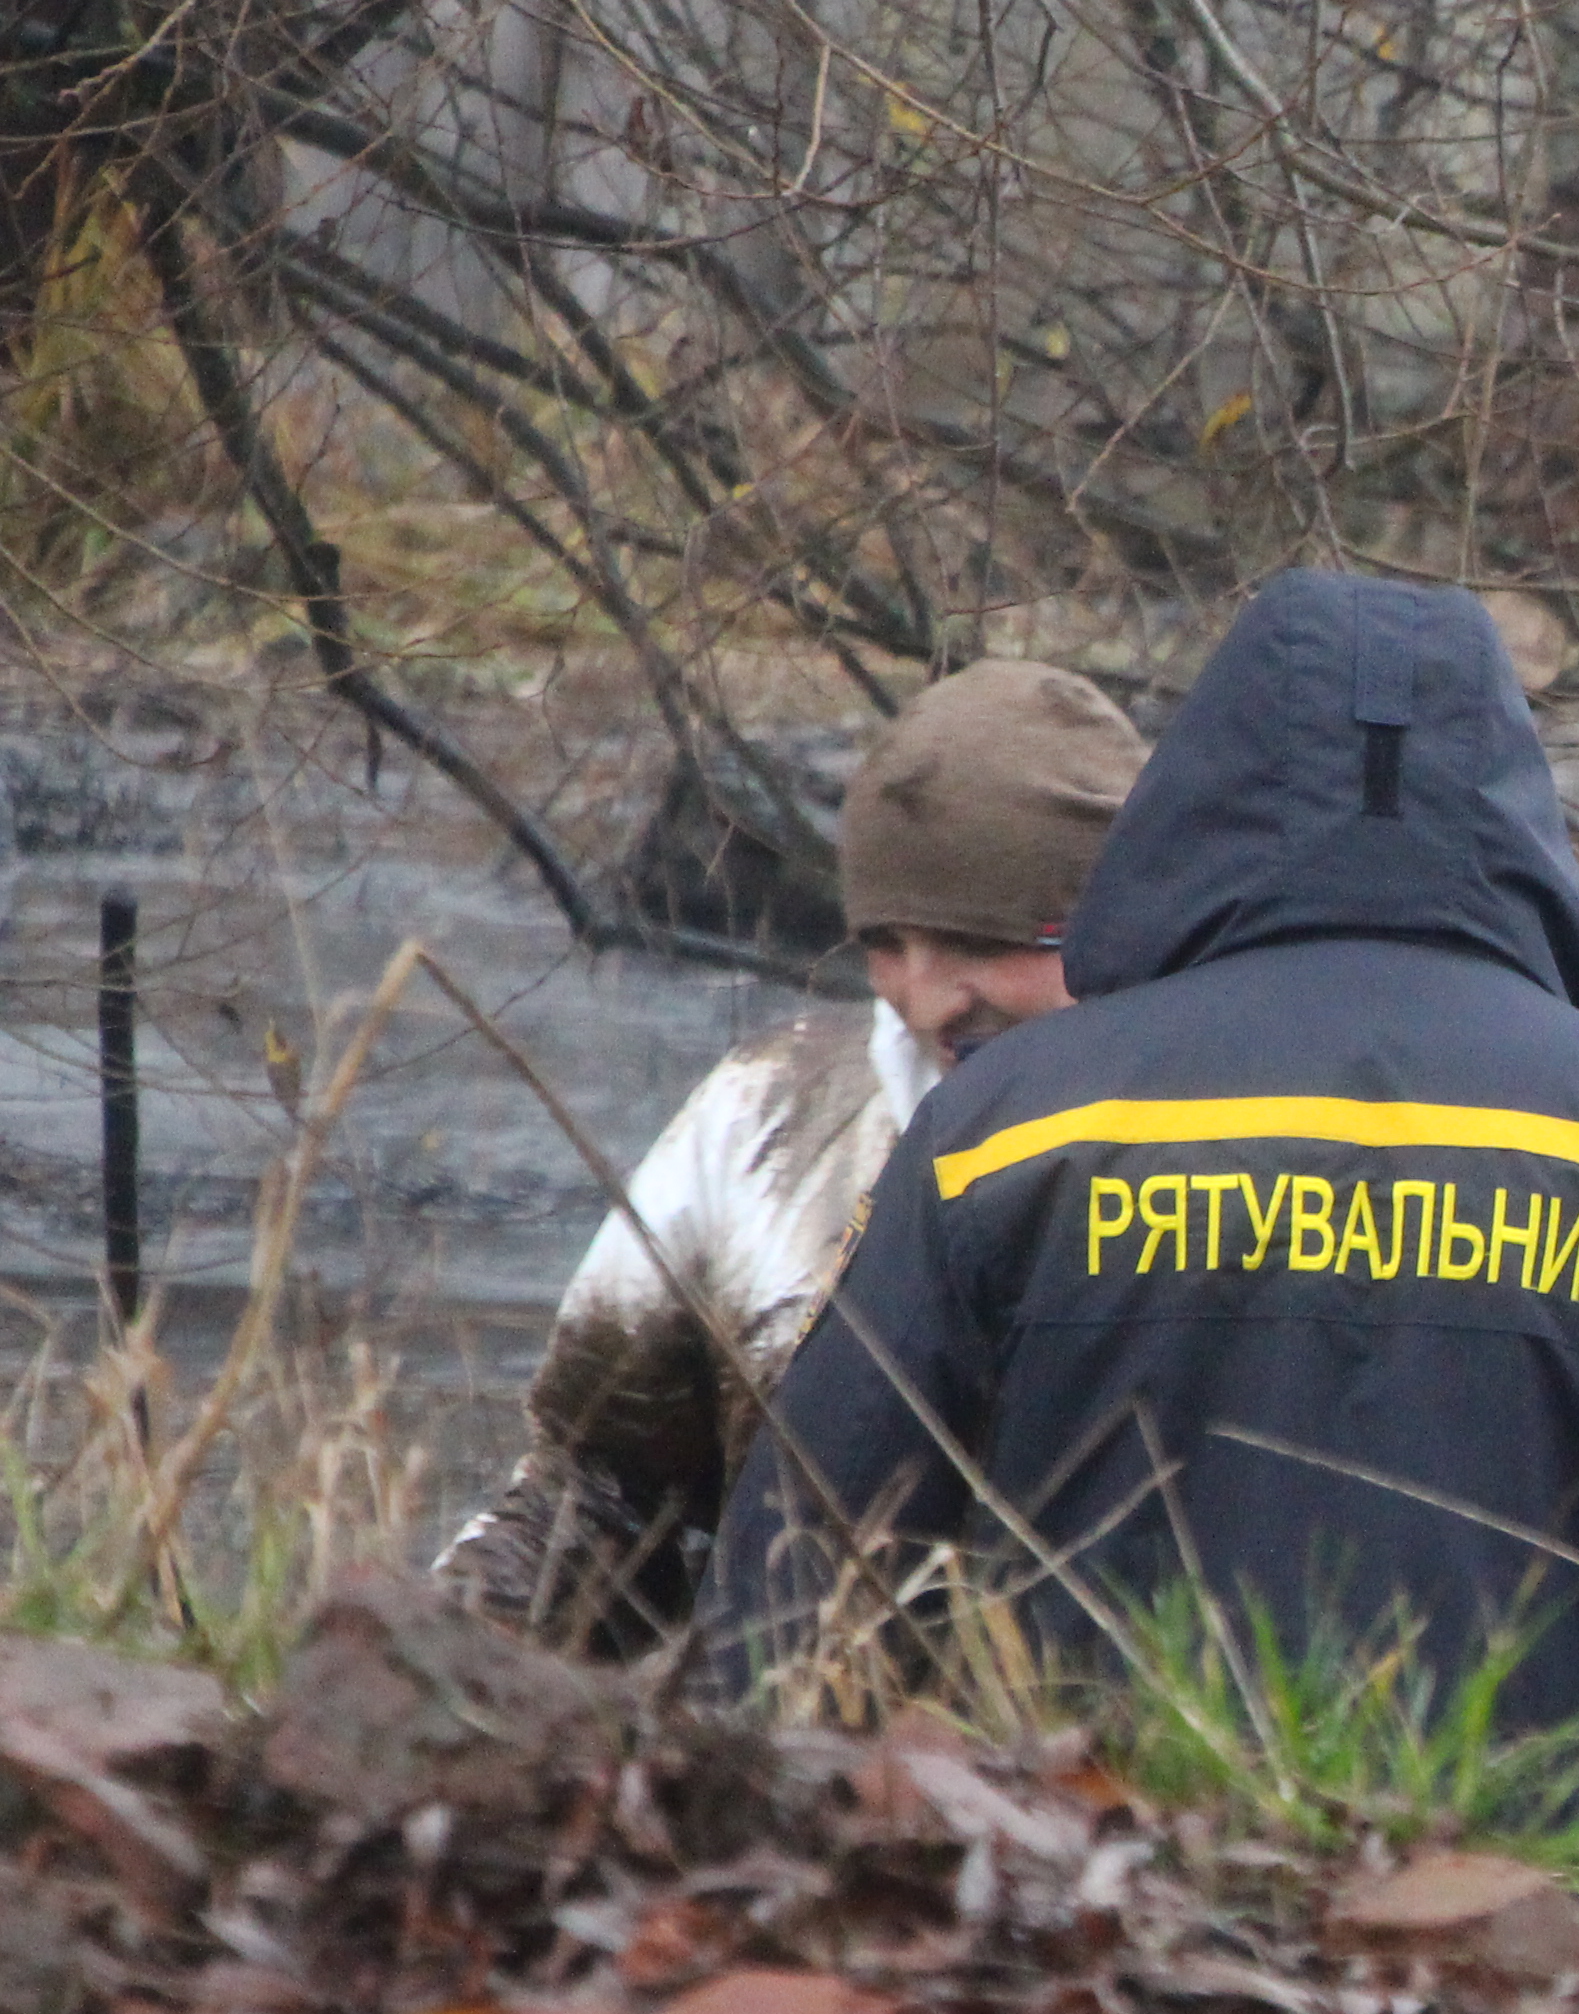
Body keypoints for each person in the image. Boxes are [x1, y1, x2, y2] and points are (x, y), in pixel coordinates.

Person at [710, 571, 1579, 1850]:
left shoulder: (1012, 1132)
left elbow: (802, 1592)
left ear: (1202, 799)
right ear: (1511, 810)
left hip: (1113, 1961)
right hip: (1565, 1993)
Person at [442, 662, 1145, 1652]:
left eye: (982, 939)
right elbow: (593, 1493)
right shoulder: (760, 1115)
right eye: (888, 941)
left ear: (1126, 922)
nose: (928, 996)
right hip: (806, 1767)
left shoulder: (1276, 1137)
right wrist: (428, 1662)